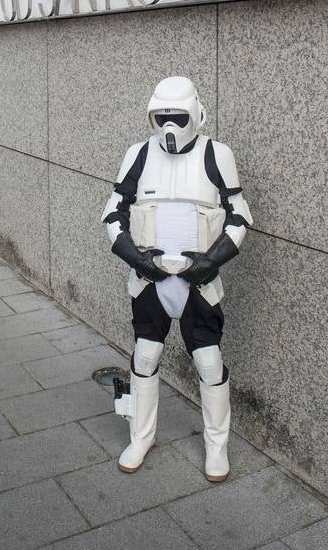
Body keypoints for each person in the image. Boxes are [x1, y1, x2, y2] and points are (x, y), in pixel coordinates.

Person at [101, 76, 252, 482]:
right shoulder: (138, 154)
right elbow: (113, 213)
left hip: (198, 283)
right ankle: (141, 436)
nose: (169, 126)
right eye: (161, 117)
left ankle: (216, 447)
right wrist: (136, 258)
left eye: (177, 117)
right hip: (149, 281)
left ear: (196, 115)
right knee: (145, 357)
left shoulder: (216, 155)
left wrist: (208, 262)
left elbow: (239, 216)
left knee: (208, 361)